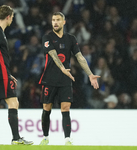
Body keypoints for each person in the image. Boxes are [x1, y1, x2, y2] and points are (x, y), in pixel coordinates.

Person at [39, 12, 100, 145]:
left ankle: (67, 139)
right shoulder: (47, 37)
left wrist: (90, 74)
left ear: (64, 22)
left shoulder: (71, 39)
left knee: (65, 108)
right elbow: (53, 54)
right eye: (53, 20)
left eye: (58, 20)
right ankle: (45, 137)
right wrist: (62, 68)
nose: (55, 22)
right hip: (50, 78)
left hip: (66, 79)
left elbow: (79, 57)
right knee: (46, 108)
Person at [0, 5, 33, 145]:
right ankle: (16, 139)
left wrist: (8, 74)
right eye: (12, 17)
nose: (12, 20)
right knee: (13, 103)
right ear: (8, 17)